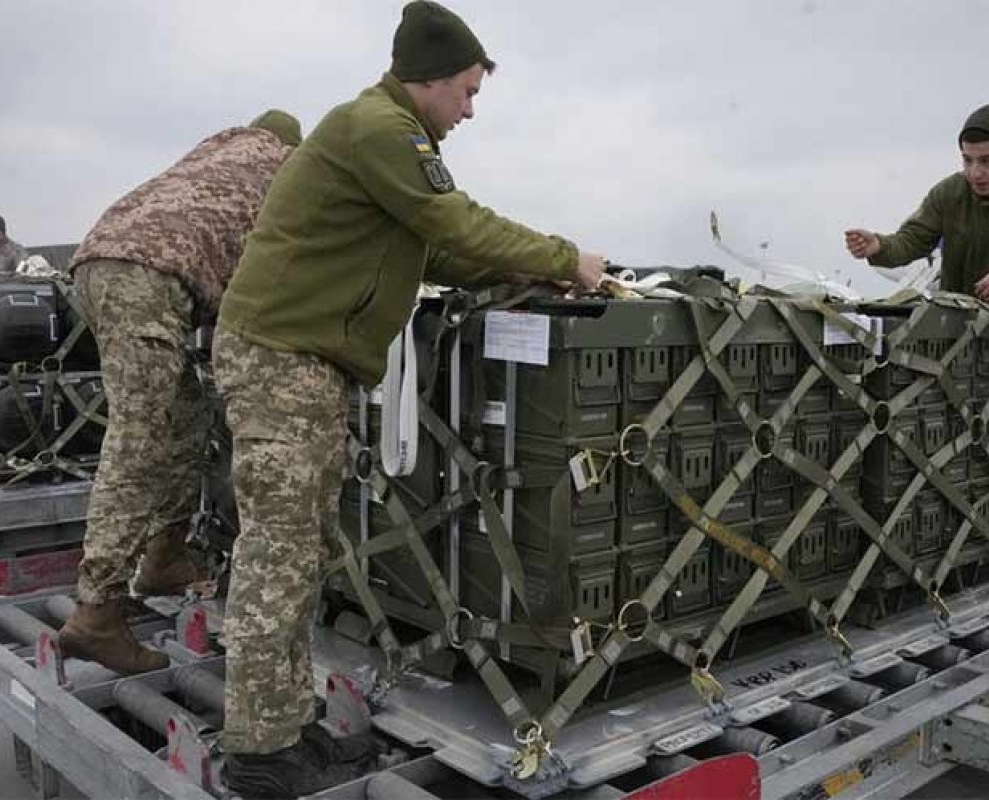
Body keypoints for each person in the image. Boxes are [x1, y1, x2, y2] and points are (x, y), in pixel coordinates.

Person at [212, 2, 607, 797]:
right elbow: (453, 221)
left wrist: (539, 276)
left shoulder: (388, 137)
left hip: (306, 365)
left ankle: (286, 723)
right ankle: (258, 750)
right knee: (278, 559)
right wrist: (571, 256)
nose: (470, 109)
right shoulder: (379, 129)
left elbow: (434, 253)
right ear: (426, 82)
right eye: (465, 91)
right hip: (282, 360)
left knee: (304, 552)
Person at [57, 110, 302, 675]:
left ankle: (165, 554)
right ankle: (96, 614)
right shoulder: (283, 168)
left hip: (101, 261)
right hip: (145, 276)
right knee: (138, 440)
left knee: (186, 415)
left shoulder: (218, 151)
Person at [845, 102, 989, 303]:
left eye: (987, 161)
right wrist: (879, 246)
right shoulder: (950, 194)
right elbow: (911, 240)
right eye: (967, 160)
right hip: (958, 330)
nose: (975, 172)